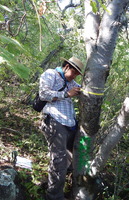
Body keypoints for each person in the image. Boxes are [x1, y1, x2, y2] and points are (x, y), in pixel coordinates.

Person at [39, 57, 84, 200]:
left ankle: (52, 184)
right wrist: (65, 94)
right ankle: (54, 196)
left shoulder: (72, 82)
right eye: (74, 72)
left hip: (70, 124)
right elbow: (43, 94)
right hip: (55, 121)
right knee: (59, 160)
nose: (75, 76)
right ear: (66, 67)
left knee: (70, 158)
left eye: (78, 74)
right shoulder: (50, 74)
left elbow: (81, 90)